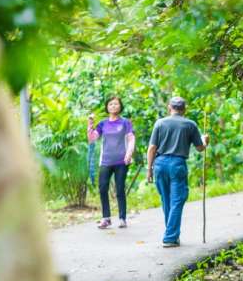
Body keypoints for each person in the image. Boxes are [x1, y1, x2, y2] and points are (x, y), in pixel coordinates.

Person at [146, 96, 209, 247]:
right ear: (184, 109)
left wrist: (149, 169)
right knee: (177, 200)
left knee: (167, 199)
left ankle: (172, 234)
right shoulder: (190, 124)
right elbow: (200, 148)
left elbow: (152, 148)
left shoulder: (160, 123)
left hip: (160, 164)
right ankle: (170, 237)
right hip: (177, 164)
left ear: (169, 107)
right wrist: (205, 140)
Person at [87, 96, 135, 229]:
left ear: (120, 107)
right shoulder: (102, 123)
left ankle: (122, 218)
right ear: (107, 107)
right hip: (106, 161)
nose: (113, 106)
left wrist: (129, 152)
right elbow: (92, 138)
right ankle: (106, 218)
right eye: (111, 104)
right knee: (102, 188)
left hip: (122, 161)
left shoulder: (125, 122)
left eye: (116, 104)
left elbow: (131, 139)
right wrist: (90, 125)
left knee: (120, 189)